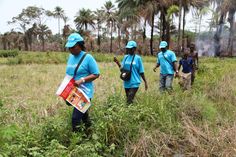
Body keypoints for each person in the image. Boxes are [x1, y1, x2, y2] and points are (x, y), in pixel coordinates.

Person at [65, 32, 100, 132]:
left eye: (73, 47)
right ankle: (90, 134)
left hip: (84, 93)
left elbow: (96, 74)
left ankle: (75, 142)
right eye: (69, 47)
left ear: (80, 45)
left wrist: (82, 80)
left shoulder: (88, 58)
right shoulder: (70, 57)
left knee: (75, 118)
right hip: (73, 91)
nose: (71, 49)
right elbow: (69, 74)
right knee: (84, 116)